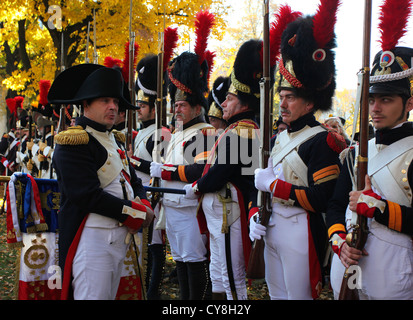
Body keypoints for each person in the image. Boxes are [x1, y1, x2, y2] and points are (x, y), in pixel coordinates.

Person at [250, 2, 346, 300]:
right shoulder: (279, 137)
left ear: (309, 103)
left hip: (301, 229)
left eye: (290, 97)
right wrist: (255, 212)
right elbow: (264, 185)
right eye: (281, 96)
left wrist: (275, 186)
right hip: (272, 225)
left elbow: (321, 199)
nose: (282, 104)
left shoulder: (322, 140)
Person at [326, 8, 413, 299]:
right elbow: (337, 206)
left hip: (395, 273)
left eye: (386, 100)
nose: (375, 108)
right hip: (348, 263)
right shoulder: (355, 153)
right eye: (372, 99)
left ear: (409, 103)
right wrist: (339, 241)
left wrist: (382, 210)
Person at [49, 63, 154, 300]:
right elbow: (86, 196)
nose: (113, 107)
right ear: (86, 104)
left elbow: (134, 182)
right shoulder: (73, 142)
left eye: (116, 102)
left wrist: (145, 205)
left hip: (119, 237)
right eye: (105, 100)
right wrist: (137, 214)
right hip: (93, 239)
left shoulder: (114, 139)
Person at [183, 39, 270, 300]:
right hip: (222, 209)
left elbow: (221, 171)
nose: (224, 105)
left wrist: (197, 186)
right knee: (219, 272)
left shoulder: (244, 129)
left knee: (233, 278)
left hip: (229, 210)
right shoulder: (236, 128)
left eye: (230, 99)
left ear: (244, 103)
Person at [149, 25, 216, 298]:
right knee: (179, 261)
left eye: (182, 105)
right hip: (173, 206)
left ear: (198, 107)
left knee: (193, 262)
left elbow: (198, 170)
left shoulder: (203, 132)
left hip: (190, 209)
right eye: (175, 105)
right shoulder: (179, 132)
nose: (177, 109)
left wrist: (164, 173)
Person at [128, 53, 173, 300]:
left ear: (153, 107)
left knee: (155, 248)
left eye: (143, 106)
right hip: (140, 194)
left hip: (154, 195)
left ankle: (153, 292)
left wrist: (132, 161)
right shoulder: (141, 132)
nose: (139, 109)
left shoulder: (162, 132)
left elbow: (160, 167)